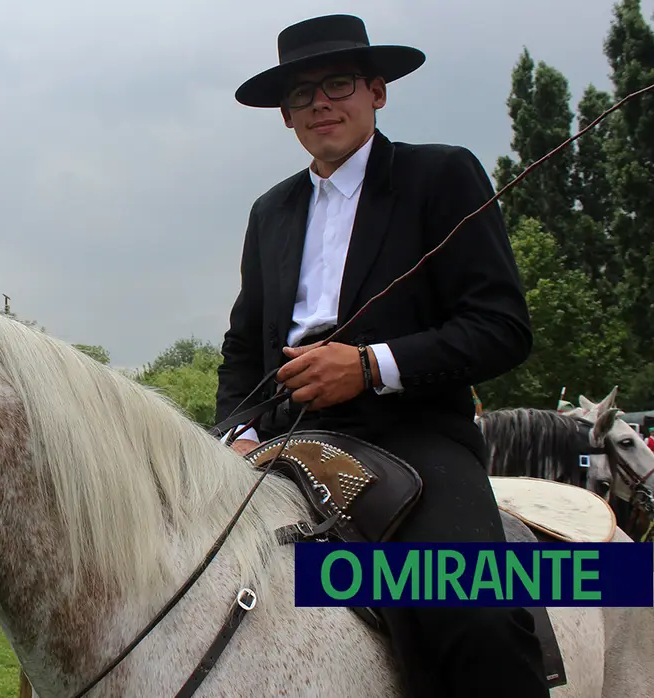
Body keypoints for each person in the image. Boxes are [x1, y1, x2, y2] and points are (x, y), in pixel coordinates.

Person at [215, 14, 546, 698]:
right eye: (301, 95)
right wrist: (236, 436)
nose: (320, 104)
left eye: (337, 84)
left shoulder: (442, 175)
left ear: (377, 92)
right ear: (286, 118)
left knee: (473, 609)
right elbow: (244, 345)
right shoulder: (269, 212)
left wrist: (368, 366)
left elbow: (501, 326)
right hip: (285, 438)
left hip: (414, 436)